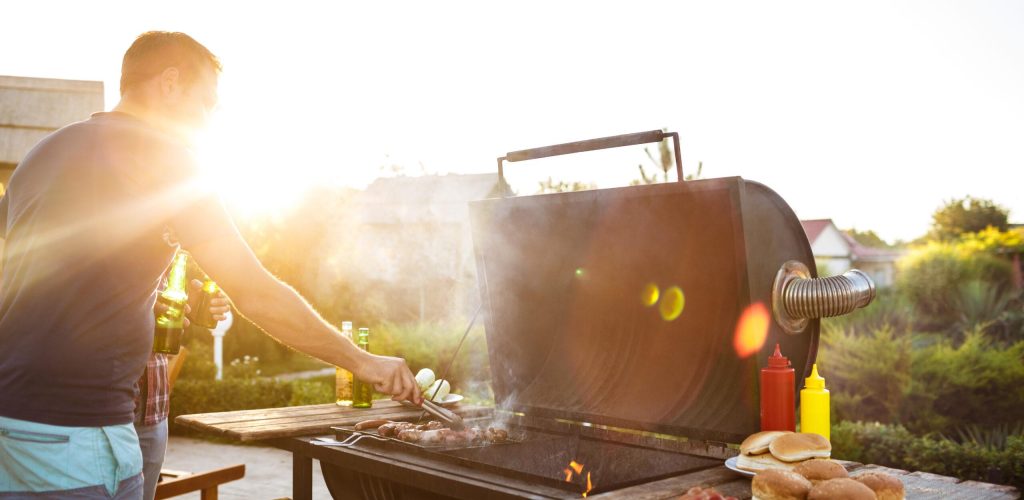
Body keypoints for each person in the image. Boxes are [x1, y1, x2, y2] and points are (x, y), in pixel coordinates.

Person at [0, 31, 422, 499]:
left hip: (10, 420)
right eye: (205, 103)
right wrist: (363, 362)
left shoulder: (43, 153)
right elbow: (255, 292)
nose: (208, 121)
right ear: (170, 82)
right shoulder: (168, 159)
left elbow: (52, 276)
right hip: (78, 431)